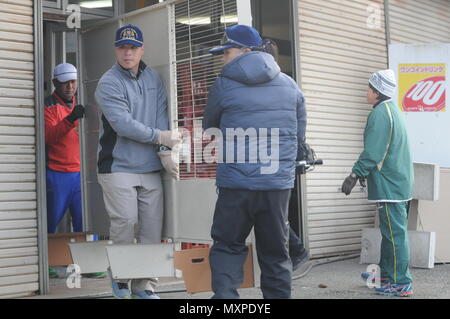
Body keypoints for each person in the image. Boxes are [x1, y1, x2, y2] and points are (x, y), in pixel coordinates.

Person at [203, 25, 307, 299]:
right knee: (275, 251)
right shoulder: (290, 85)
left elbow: (209, 127)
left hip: (235, 184)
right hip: (275, 186)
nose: (223, 58)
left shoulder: (223, 84)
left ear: (245, 50)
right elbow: (298, 136)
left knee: (227, 246)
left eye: (227, 52)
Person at [95, 24, 180, 299]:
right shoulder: (109, 82)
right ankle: (120, 282)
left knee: (152, 231)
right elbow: (123, 125)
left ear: (142, 49)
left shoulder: (153, 77)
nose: (128, 52)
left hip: (150, 167)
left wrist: (166, 150)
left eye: (133, 47)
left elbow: (161, 114)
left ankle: (145, 287)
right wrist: (161, 137)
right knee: (125, 223)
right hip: (117, 166)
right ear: (116, 50)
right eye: (122, 47)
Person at [341, 69, 414, 297]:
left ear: (378, 91)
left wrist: (354, 174)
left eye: (369, 88)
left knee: (395, 235)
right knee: (390, 233)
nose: (367, 92)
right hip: (399, 183)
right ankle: (385, 275)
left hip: (390, 186)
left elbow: (373, 152)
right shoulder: (393, 110)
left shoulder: (380, 113)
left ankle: (401, 283)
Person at [262, 38, 310, 272]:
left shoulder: (277, 86)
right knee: (273, 212)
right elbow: (300, 124)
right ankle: (290, 252)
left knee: (274, 213)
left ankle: (295, 250)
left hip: (273, 159)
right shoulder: (289, 85)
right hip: (278, 158)